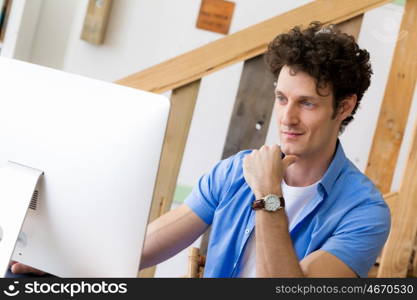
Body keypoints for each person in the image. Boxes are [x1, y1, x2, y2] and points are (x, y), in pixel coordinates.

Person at [11, 21, 390, 278]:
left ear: (343, 107)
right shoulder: (235, 171)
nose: (286, 118)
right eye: (281, 98)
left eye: (306, 103)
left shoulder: (364, 212)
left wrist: (269, 196)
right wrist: (54, 262)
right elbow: (143, 246)